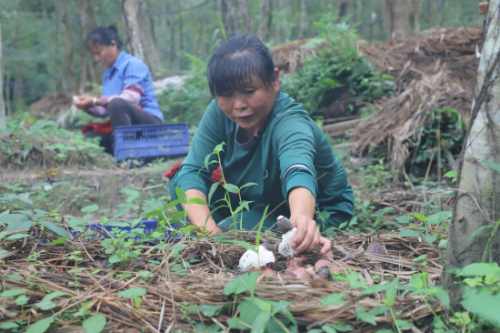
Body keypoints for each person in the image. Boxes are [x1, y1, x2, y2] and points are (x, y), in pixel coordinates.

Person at [168, 35, 354, 256]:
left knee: (233, 236)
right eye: (226, 95)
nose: (239, 105)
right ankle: (212, 235)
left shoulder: (289, 122)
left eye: (249, 92)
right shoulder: (219, 114)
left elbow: (298, 169)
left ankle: (221, 234)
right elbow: (193, 170)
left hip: (313, 207)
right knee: (180, 186)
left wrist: (302, 219)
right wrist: (208, 234)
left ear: (274, 81)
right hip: (259, 198)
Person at [73, 25, 163, 154]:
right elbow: (105, 110)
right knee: (90, 138)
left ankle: (128, 156)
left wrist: (94, 101)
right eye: (94, 55)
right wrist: (86, 106)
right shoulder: (108, 74)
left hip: (148, 124)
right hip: (126, 127)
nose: (97, 59)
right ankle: (123, 151)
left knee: (117, 103)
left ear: (113, 45)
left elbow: (130, 100)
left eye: (98, 53)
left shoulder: (132, 64)